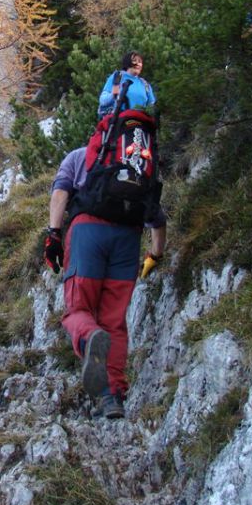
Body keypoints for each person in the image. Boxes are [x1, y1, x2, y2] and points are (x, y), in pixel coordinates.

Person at [44, 147, 166, 419]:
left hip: (88, 232)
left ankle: (89, 337)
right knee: (114, 321)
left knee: (78, 310)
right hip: (128, 239)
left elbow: (61, 193)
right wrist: (155, 256)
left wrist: (53, 234)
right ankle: (113, 398)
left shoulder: (79, 156)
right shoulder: (140, 163)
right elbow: (157, 218)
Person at [97, 51, 156, 119]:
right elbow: (102, 100)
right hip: (119, 122)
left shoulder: (145, 84)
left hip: (139, 124)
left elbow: (151, 107)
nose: (138, 64)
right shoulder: (117, 77)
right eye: (134, 61)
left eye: (140, 62)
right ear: (127, 62)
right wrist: (113, 95)